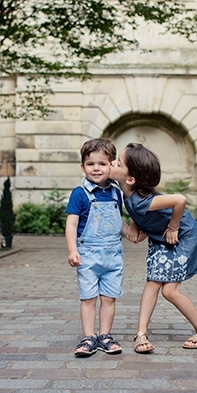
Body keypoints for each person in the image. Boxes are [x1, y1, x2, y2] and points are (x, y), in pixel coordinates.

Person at [110, 142, 197, 353]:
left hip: (182, 237)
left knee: (169, 290)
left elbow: (179, 200)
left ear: (130, 179)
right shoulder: (128, 193)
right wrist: (134, 227)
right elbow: (138, 212)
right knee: (152, 282)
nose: (112, 163)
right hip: (161, 239)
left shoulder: (141, 199)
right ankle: (141, 333)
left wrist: (174, 226)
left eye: (118, 162)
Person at [65, 138, 143, 357]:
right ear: (83, 167)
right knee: (88, 298)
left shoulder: (116, 192)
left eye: (102, 163)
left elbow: (117, 222)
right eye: (90, 164)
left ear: (111, 166)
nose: (96, 168)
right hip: (88, 255)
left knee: (109, 298)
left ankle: (105, 336)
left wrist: (130, 233)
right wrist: (72, 249)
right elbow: (71, 223)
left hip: (113, 255)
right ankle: (88, 337)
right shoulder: (80, 193)